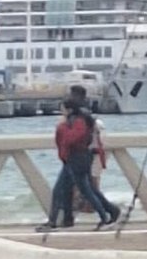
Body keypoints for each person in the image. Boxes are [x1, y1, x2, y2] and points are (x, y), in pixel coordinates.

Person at [36, 99, 120, 233]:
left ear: (69, 109)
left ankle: (105, 216)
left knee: (85, 190)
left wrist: (62, 129)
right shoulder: (77, 121)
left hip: (77, 159)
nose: (61, 112)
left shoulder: (76, 122)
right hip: (73, 159)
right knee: (66, 190)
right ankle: (57, 220)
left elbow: (73, 138)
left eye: (62, 109)